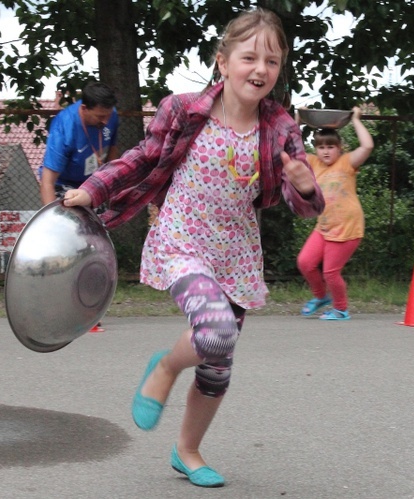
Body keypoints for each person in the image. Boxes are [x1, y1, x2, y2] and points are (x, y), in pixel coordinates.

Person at [63, 8, 324, 488]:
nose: (261, 69)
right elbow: (142, 159)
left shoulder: (281, 126)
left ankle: (187, 450)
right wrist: (94, 189)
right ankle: (164, 367)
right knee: (215, 328)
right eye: (249, 57)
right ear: (223, 62)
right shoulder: (183, 109)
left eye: (272, 60)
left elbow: (300, 205)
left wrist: (305, 187)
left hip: (237, 250)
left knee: (219, 362)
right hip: (182, 238)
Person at [40, 80, 119, 333]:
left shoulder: (110, 116)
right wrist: (52, 223)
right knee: (72, 246)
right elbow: (47, 181)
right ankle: (61, 308)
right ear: (83, 109)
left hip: (93, 183)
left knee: (95, 246)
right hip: (64, 185)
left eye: (107, 116)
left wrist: (114, 185)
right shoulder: (64, 126)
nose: (105, 121)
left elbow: (113, 154)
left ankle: (89, 308)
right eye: (99, 116)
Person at [296, 107, 374, 320]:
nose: (326, 151)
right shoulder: (313, 163)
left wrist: (356, 119)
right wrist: (297, 121)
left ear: (340, 148)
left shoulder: (347, 162)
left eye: (331, 146)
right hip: (324, 226)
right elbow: (290, 148)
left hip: (348, 227)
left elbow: (367, 146)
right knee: (305, 262)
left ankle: (341, 309)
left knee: (330, 272)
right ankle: (321, 297)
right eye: (321, 147)